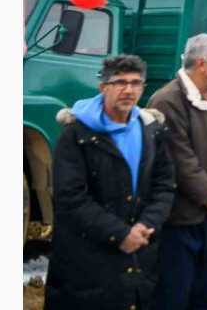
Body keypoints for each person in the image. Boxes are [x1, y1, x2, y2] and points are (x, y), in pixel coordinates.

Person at [45, 55, 175, 310]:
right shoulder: (77, 133)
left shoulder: (152, 131)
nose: (128, 90)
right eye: (120, 82)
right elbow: (69, 196)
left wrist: (148, 223)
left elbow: (165, 183)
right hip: (87, 262)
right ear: (103, 87)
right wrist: (119, 233)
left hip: (139, 254)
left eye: (136, 83)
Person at [149, 34, 207, 310]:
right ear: (202, 64)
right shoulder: (167, 101)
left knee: (206, 292)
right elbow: (179, 158)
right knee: (174, 295)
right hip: (180, 222)